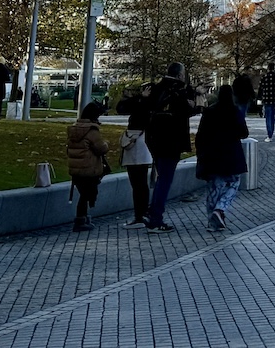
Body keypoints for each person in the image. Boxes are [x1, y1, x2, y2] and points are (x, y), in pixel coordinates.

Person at [128, 63, 198, 233]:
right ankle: (155, 218)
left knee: (161, 176)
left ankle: (151, 214)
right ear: (180, 75)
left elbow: (143, 109)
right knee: (165, 179)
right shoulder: (180, 90)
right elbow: (189, 110)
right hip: (171, 139)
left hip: (154, 139)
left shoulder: (155, 88)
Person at [195, 84, 250, 230]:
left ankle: (211, 221)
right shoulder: (235, 111)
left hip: (212, 155)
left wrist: (201, 153)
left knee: (213, 188)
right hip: (231, 155)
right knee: (234, 183)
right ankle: (220, 209)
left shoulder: (209, 111)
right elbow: (244, 132)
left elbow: (200, 136)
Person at [64, 100, 112, 233]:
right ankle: (80, 220)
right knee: (86, 195)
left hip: (76, 168)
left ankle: (83, 218)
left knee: (84, 194)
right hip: (89, 168)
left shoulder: (74, 129)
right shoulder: (91, 131)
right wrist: (106, 144)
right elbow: (101, 148)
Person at [118, 90, 154, 227]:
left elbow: (121, 108)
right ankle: (143, 213)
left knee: (137, 183)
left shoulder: (138, 105)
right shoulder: (150, 107)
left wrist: (136, 97)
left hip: (135, 142)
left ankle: (140, 215)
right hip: (143, 143)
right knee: (142, 183)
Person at [258, 62, 275, 139]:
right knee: (272, 117)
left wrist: (260, 97)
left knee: (268, 117)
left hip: (266, 99)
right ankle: (271, 131)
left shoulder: (264, 77)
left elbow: (260, 88)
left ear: (268, 68)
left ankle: (269, 132)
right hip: (274, 99)